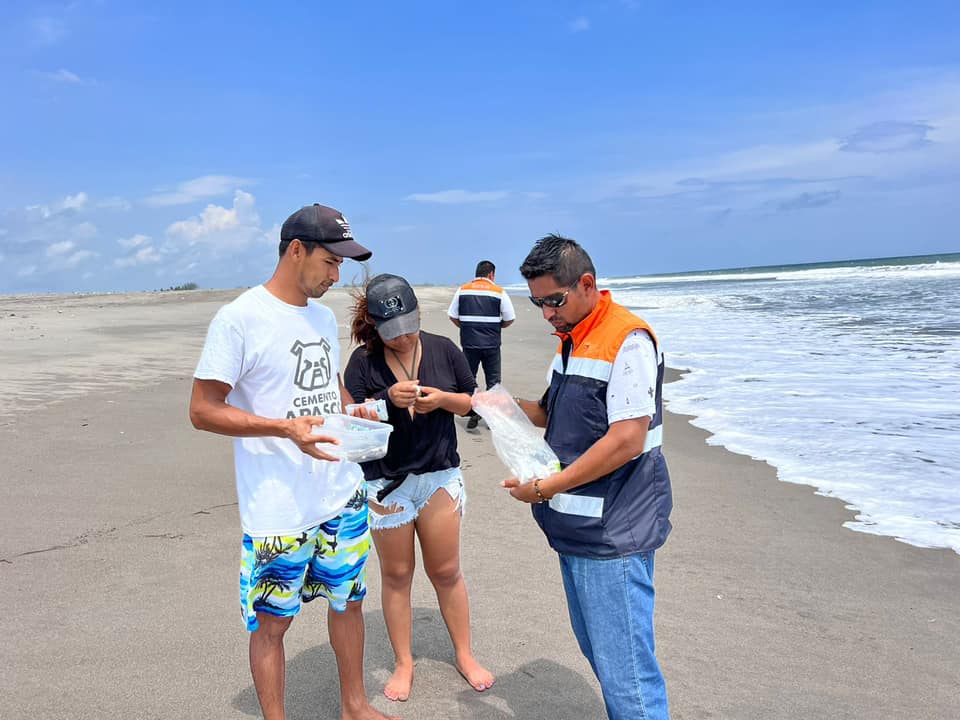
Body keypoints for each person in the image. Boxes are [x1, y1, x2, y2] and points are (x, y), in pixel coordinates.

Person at [189, 203, 399, 720]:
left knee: (348, 601)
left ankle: (355, 706)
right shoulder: (240, 319)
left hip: (339, 493)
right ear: (295, 250)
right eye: (330, 262)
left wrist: (354, 411)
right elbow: (202, 410)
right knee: (271, 623)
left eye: (342, 266)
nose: (336, 276)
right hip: (277, 507)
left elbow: (329, 386)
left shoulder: (322, 317)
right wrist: (284, 429)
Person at [497, 234, 673, 720]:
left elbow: (627, 439)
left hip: (615, 531)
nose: (547, 314)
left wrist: (546, 487)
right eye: (537, 304)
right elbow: (551, 415)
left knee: (629, 676)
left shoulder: (627, 339)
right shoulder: (573, 340)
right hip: (578, 529)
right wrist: (484, 404)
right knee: (602, 654)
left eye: (554, 301)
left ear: (587, 283)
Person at [345, 273, 494, 702]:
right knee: (396, 575)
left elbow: (472, 400)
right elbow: (352, 418)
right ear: (374, 326)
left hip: (438, 476)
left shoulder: (445, 349)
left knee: (446, 571)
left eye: (410, 328)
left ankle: (464, 654)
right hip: (386, 484)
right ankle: (403, 661)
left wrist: (442, 400)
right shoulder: (363, 363)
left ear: (418, 315)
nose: (404, 339)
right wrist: (388, 400)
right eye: (392, 334)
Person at [447, 260, 515, 429]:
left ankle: (474, 412)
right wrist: (497, 327)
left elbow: (452, 315)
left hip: (470, 343)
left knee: (470, 380)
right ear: (492, 274)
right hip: (492, 344)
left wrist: (465, 327)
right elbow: (509, 318)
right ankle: (491, 417)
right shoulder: (499, 292)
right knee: (493, 381)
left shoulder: (463, 290)